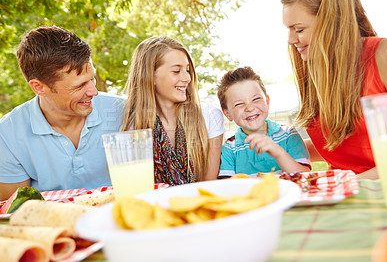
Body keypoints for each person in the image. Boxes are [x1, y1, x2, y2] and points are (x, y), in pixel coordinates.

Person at [0, 26, 125, 201]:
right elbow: (14, 210)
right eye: (79, 86)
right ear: (39, 87)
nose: (93, 91)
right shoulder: (8, 133)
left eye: (92, 79)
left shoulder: (124, 112)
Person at [281, 0, 387, 179]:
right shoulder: (315, 69)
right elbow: (344, 149)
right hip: (341, 198)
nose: (290, 39)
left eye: (299, 29)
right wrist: (280, 147)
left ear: (331, 21)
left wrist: (341, 185)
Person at [121, 36, 225, 185]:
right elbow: (136, 189)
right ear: (151, 76)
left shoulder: (209, 116)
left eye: (187, 70)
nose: (187, 78)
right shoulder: (133, 127)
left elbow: (209, 185)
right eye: (176, 71)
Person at [216, 66, 310, 178]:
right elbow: (228, 188)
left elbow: (305, 177)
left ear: (267, 102)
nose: (250, 108)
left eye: (256, 99)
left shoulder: (288, 134)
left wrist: (279, 153)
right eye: (239, 104)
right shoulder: (229, 148)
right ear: (227, 114)